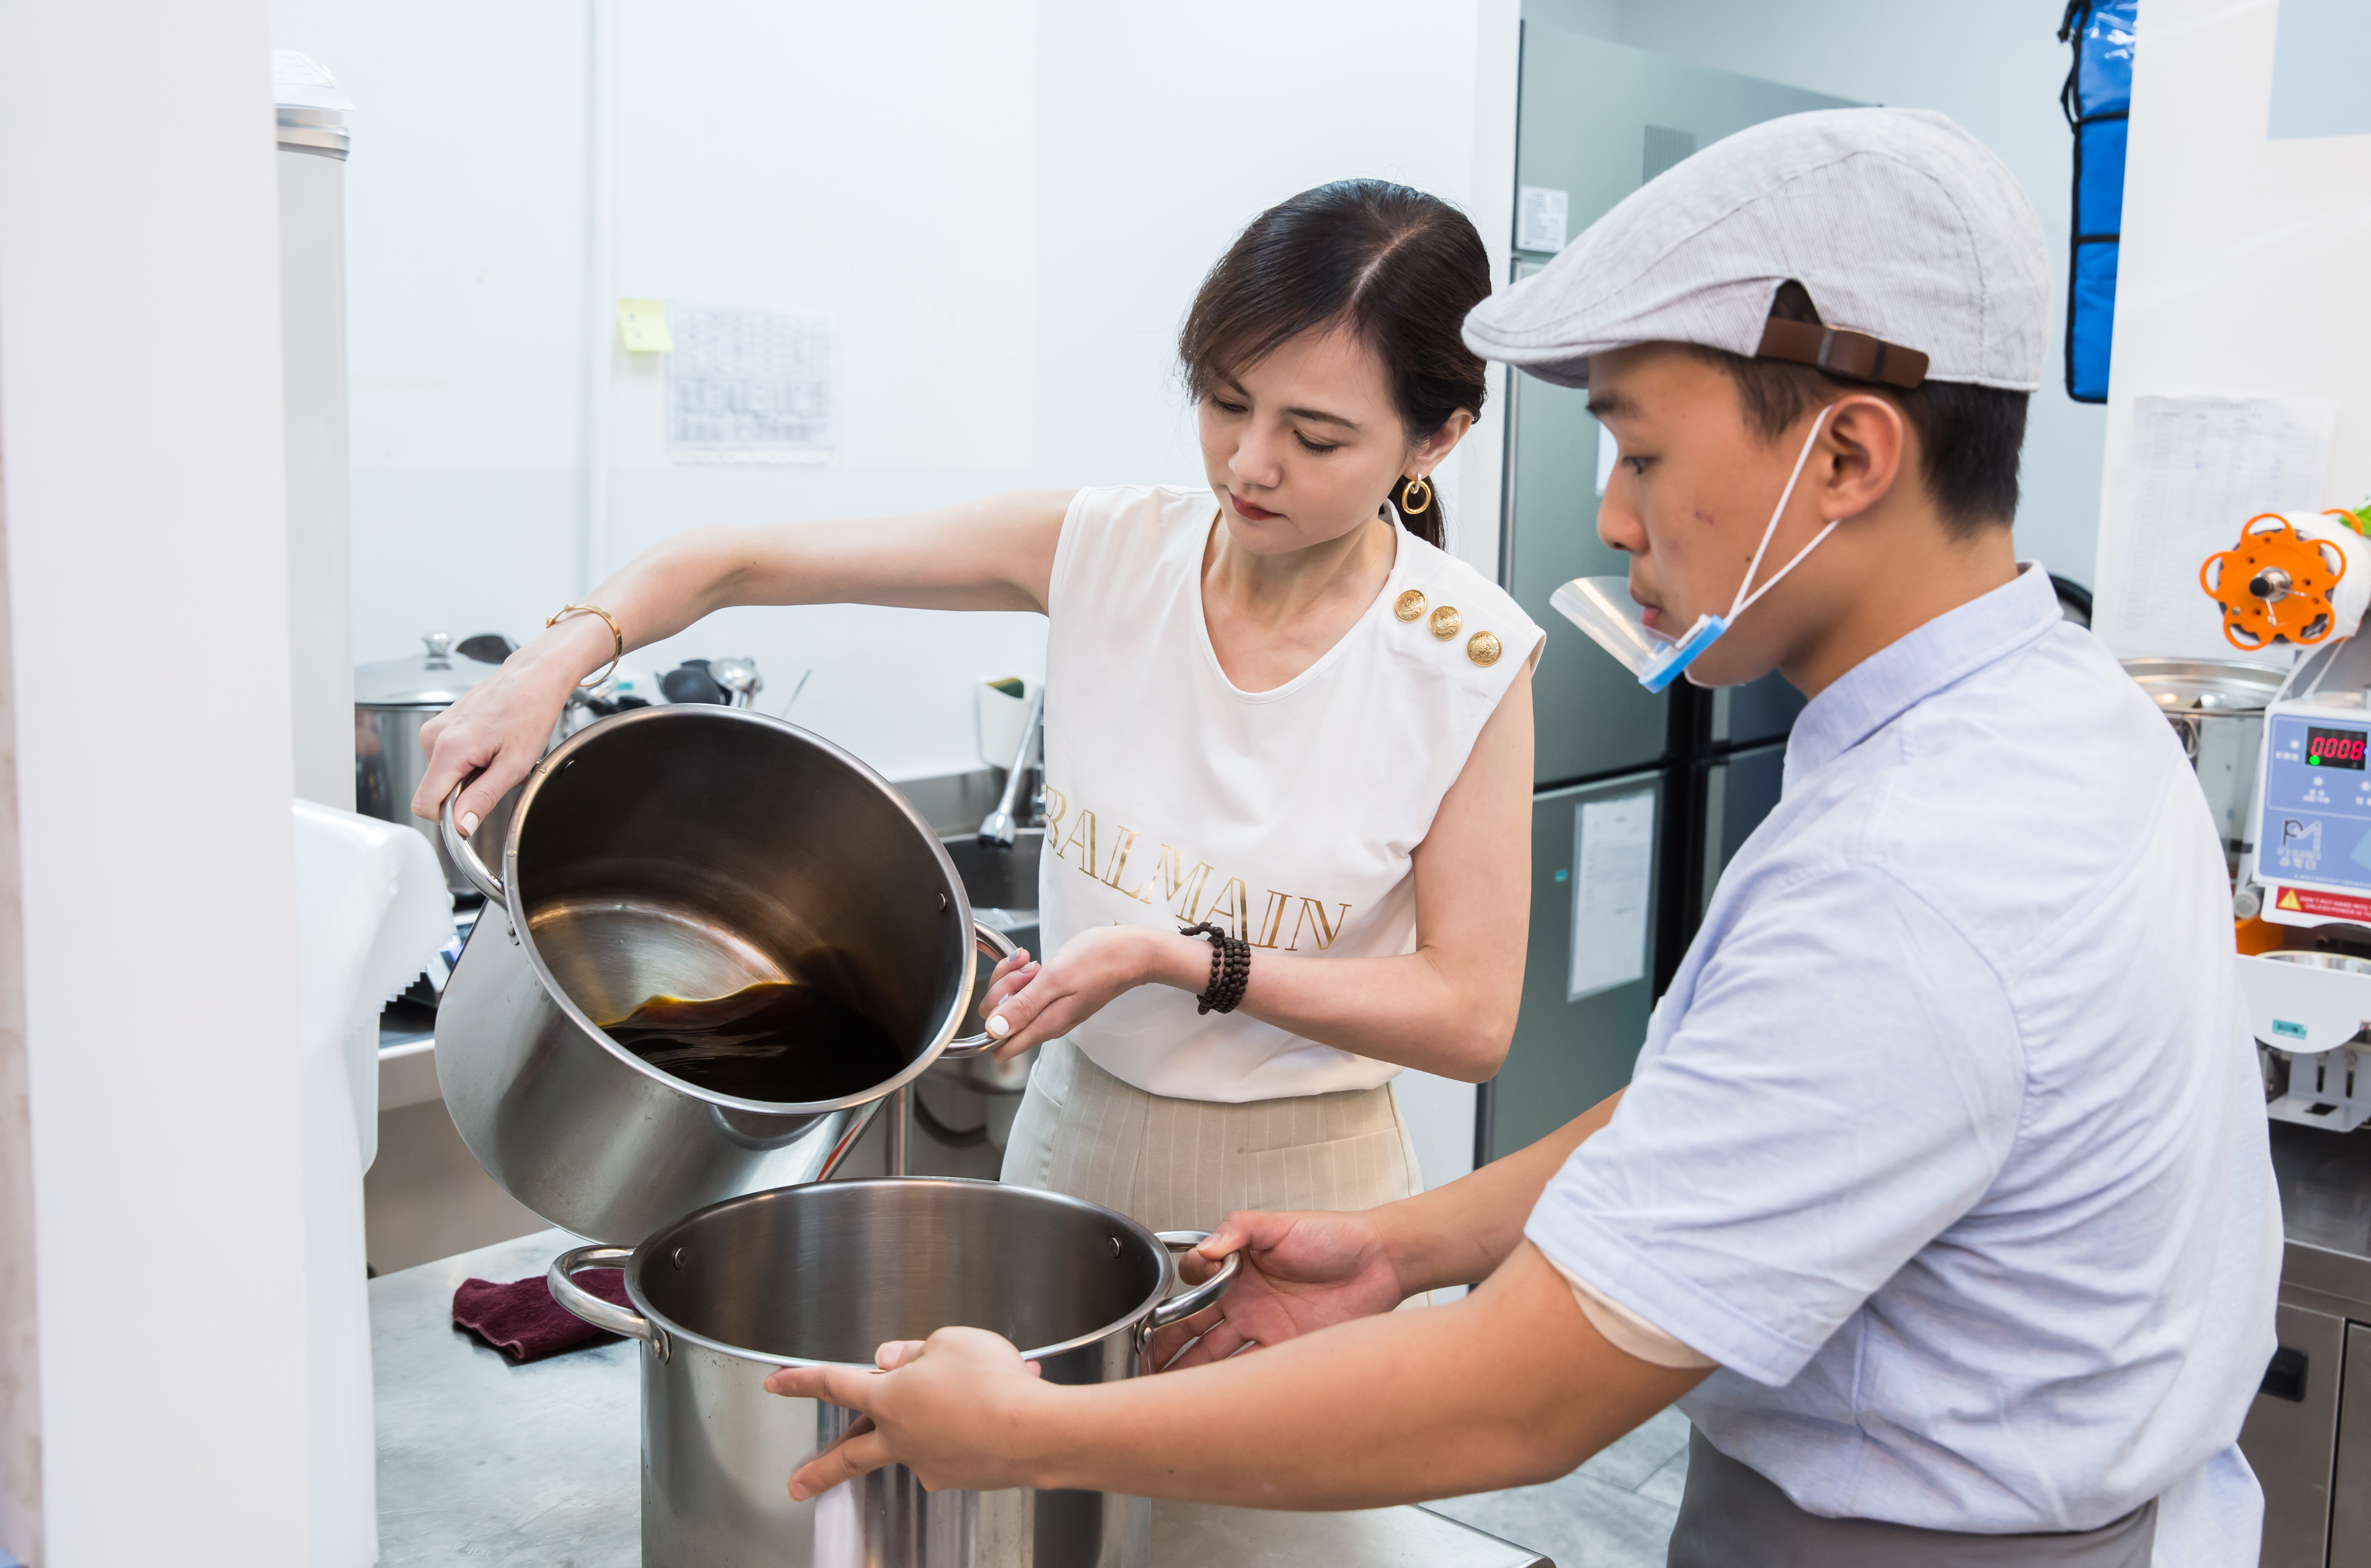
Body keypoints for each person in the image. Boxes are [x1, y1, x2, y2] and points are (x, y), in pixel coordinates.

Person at [764, 109, 2280, 1568]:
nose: (1613, 519)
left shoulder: (1911, 870)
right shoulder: (2056, 709)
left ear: (1848, 458)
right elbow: (1706, 1119)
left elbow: (1520, 1392)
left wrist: (1030, 1430)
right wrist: (1408, 1246)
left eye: (1640, 454)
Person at [412, 179, 1544, 1236]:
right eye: (1225, 400)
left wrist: (1186, 960)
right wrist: (547, 662)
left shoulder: (1466, 661)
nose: (1248, 463)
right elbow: (735, 560)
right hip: (1072, 1138)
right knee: (1038, 1450)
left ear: (1434, 439)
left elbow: (1470, 1015)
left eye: (1316, 436)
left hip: (1314, 1190)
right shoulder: (1106, 549)